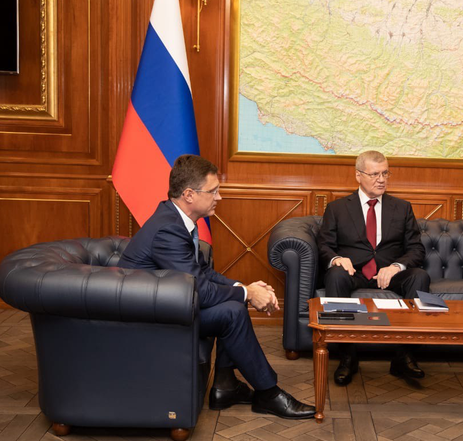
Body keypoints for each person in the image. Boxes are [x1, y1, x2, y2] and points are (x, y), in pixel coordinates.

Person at [118, 154, 315, 420]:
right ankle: (268, 394)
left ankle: (226, 386)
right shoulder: (168, 230)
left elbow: (202, 273)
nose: (218, 197)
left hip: (166, 303)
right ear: (189, 194)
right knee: (232, 311)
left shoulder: (175, 220)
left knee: (232, 306)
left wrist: (243, 286)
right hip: (148, 317)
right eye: (213, 191)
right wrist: (248, 294)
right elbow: (198, 289)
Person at [317, 150, 431, 386]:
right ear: (358, 175)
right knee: (335, 275)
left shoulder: (402, 208)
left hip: (390, 274)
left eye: (385, 173)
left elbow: (416, 249)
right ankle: (347, 356)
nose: (381, 180)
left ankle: (404, 356)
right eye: (375, 174)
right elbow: (324, 245)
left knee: (419, 276)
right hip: (354, 272)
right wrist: (337, 258)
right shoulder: (337, 208)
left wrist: (396, 266)